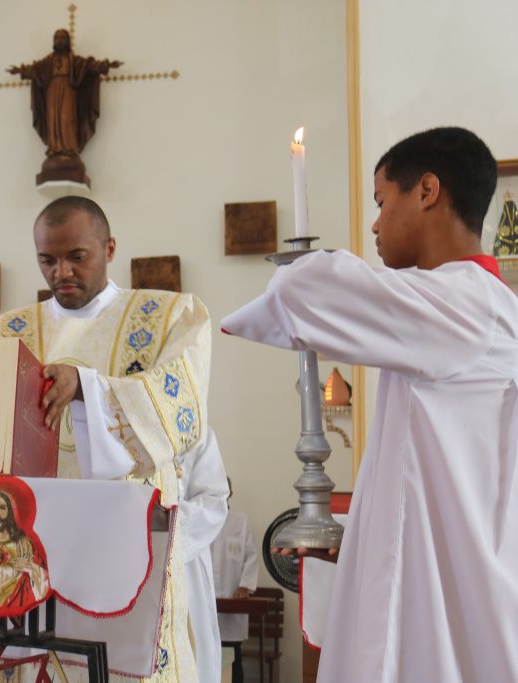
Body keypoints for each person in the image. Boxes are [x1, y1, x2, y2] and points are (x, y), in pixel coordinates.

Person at [221, 127, 518, 683]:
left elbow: (301, 293)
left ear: (427, 191)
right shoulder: (488, 304)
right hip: (468, 567)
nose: (376, 225)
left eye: (381, 202)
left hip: (442, 590)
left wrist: (298, 261)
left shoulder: (460, 302)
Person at [0, 196, 229, 683]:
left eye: (76, 256)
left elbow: (181, 408)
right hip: (31, 548)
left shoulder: (169, 317)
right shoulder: (5, 332)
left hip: (122, 543)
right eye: (47, 259)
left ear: (109, 248)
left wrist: (87, 388)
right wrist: (3, 433)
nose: (61, 271)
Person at [7, 29, 122, 184]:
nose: (59, 40)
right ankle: (55, 149)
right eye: (57, 38)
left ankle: (70, 149)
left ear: (67, 41)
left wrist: (105, 65)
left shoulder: (73, 60)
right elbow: (35, 70)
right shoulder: (48, 61)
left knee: (67, 118)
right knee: (53, 120)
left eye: (62, 37)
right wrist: (20, 71)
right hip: (51, 92)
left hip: (68, 91)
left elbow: (89, 66)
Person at [209, 478, 257, 683]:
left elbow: (251, 556)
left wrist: (245, 586)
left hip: (233, 603)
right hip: (208, 604)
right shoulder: (203, 520)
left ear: (230, 492)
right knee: (207, 656)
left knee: (233, 659)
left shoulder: (241, 521)